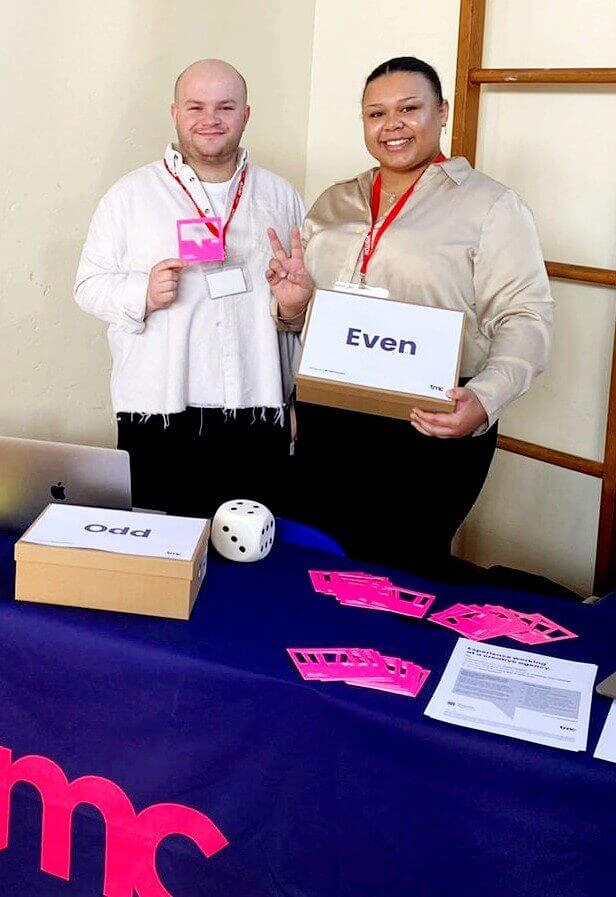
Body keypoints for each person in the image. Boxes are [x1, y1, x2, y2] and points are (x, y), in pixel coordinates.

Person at [267, 56, 553, 576]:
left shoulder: (490, 206)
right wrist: (293, 305)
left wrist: (484, 401)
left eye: (409, 109)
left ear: (441, 113)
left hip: (432, 422)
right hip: (331, 418)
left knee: (398, 574)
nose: (391, 124)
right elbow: (301, 318)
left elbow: (526, 317)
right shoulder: (334, 202)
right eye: (375, 114)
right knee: (317, 563)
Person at [74, 59, 304, 517]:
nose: (210, 119)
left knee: (253, 565)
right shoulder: (130, 195)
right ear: (174, 112)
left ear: (246, 114)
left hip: (258, 412)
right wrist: (143, 292)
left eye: (225, 106)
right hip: (159, 414)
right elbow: (87, 285)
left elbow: (298, 307)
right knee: (162, 561)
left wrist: (297, 309)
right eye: (195, 106)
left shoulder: (281, 196)